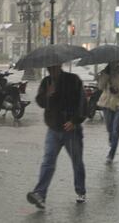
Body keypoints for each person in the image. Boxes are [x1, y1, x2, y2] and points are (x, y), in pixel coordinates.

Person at [27, 65, 87, 209]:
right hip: (53, 129)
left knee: (77, 162)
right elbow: (40, 102)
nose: (50, 71)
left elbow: (83, 103)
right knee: (48, 161)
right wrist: (47, 94)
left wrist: (75, 121)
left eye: (53, 68)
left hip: (71, 130)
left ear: (59, 66)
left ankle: (80, 191)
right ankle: (40, 194)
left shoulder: (73, 80)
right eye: (49, 68)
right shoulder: (46, 82)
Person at [97, 62, 119, 164]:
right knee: (109, 129)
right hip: (106, 104)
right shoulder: (104, 72)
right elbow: (100, 87)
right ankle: (112, 140)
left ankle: (111, 154)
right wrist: (106, 75)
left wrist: (118, 90)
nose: (114, 63)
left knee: (116, 129)